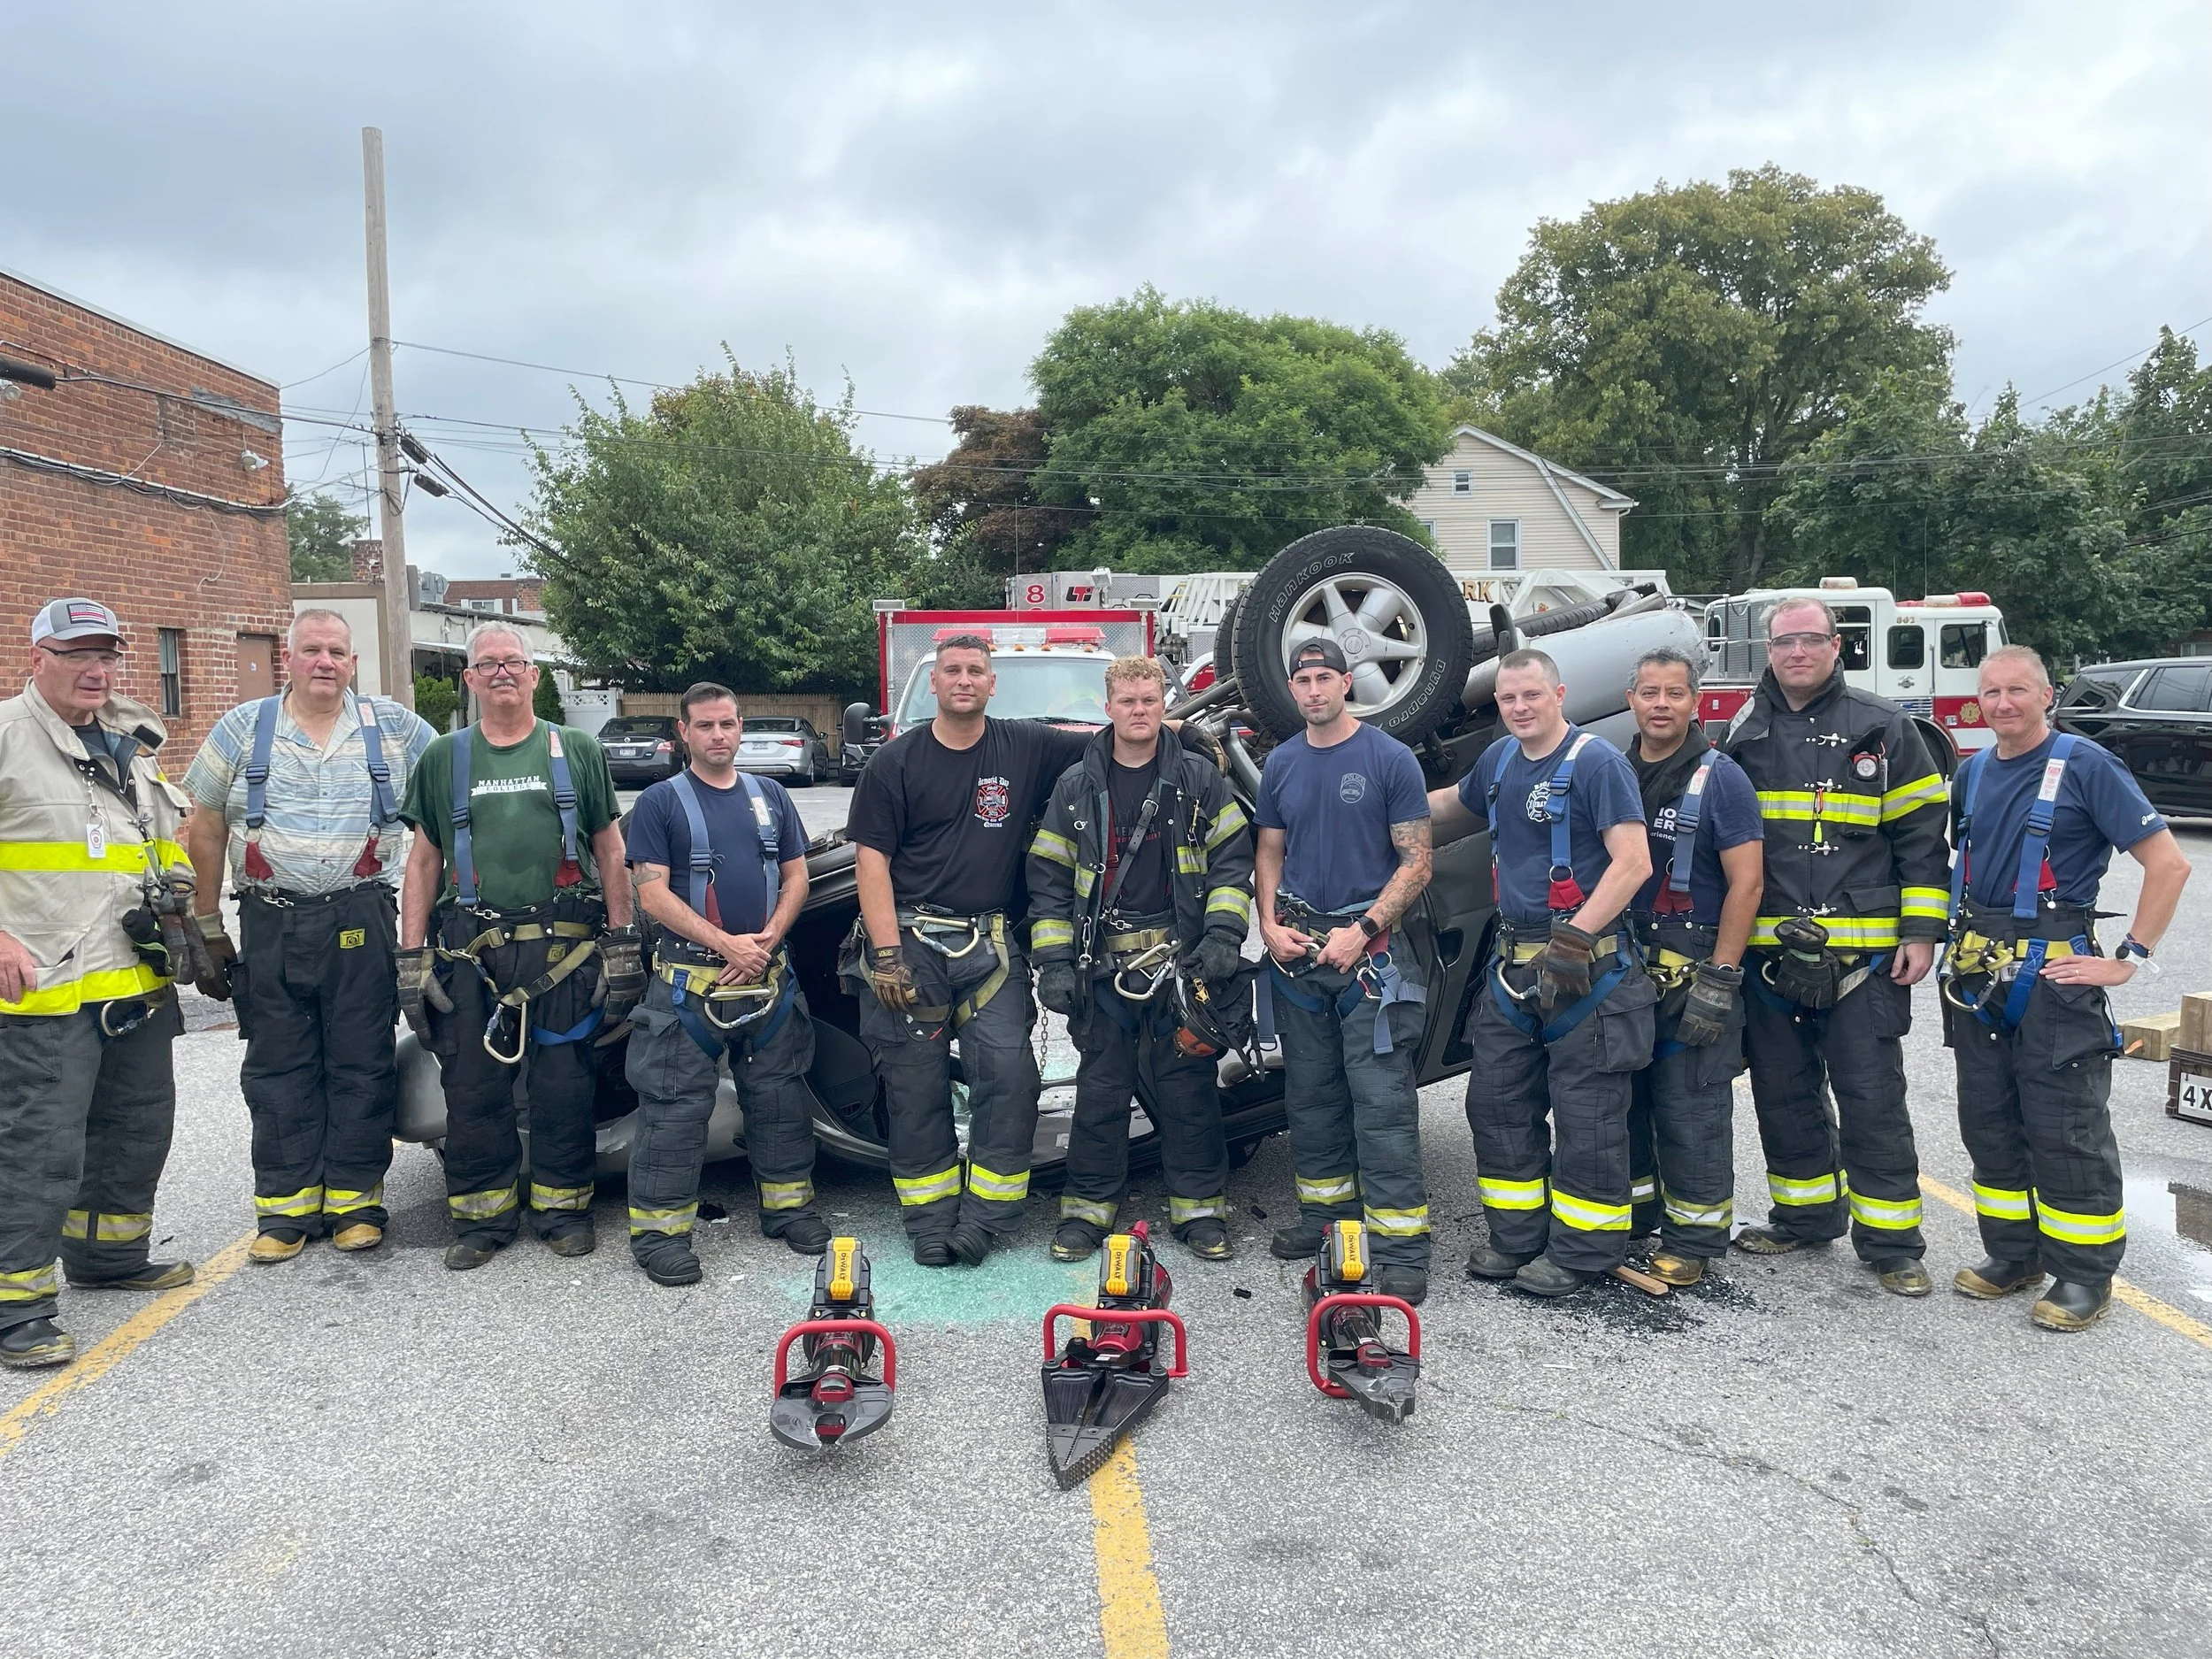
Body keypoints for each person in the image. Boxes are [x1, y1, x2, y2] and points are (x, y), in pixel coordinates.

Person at [845, 634, 1210, 1266]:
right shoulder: (894, 762)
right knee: (913, 1085)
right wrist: (884, 954)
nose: (964, 679)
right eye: (951, 670)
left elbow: (1114, 739)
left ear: (992, 685)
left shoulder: (1025, 743)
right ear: (933, 684)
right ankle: (929, 1220)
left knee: (1011, 1076)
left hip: (990, 944)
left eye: (975, 671)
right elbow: (869, 858)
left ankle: (986, 1218)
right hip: (910, 941)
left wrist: (1176, 724)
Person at [1939, 645, 2189, 1332]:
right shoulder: (1974, 772)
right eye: (1991, 692)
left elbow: (2167, 864)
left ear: (2047, 695)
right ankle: (2014, 1255)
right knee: (1988, 1121)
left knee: (2066, 1129)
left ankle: (2084, 1274)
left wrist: (2129, 957)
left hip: (2055, 978)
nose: (2003, 704)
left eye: (2018, 690)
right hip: (1979, 976)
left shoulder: (2086, 765)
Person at [183, 610, 435, 1263]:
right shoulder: (242, 729)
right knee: (278, 1064)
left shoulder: (397, 730)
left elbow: (451, 804)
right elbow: (204, 825)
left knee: (361, 1060)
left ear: (353, 663)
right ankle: (285, 1207)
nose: (326, 661)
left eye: (338, 651)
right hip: (270, 920)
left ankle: (355, 1200)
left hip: (362, 917)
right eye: (312, 650)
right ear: (287, 660)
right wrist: (205, 923)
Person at [1721, 598, 1952, 1297]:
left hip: (1867, 960)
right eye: (1785, 641)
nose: (1797, 652)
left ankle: (1892, 1245)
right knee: (1783, 1093)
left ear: (1836, 645)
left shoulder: (1885, 727)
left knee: (1871, 1095)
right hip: (1771, 955)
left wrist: (1921, 930)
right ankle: (1805, 1214)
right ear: (1769, 649)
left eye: (1811, 640)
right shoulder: (1743, 733)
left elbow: (1921, 836)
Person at [396, 624, 643, 1271]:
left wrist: (621, 942)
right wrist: (411, 956)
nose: (502, 672)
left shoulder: (576, 750)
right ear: (470, 679)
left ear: (535, 676)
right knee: (473, 1088)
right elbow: (421, 864)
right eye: (488, 664)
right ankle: (482, 1219)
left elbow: (610, 851)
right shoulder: (444, 757)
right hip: (469, 954)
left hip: (561, 950)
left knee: (564, 1083)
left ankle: (564, 1211)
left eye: (514, 662)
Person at [0, 598, 198, 1371]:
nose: (96, 669)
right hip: (46, 983)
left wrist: (182, 904)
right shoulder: (9, 739)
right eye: (78, 653)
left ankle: (108, 1256)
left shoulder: (129, 742)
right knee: (39, 1145)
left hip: (133, 980)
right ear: (36, 654)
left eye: (108, 654)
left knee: (134, 1126)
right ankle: (17, 1306)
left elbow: (156, 842)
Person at [1430, 648, 1653, 1300]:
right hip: (1513, 970)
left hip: (1588, 970)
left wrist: (1578, 936)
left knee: (1587, 1116)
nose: (1520, 708)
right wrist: (1374, 802)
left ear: (1558, 693)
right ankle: (1517, 1237)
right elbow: (1448, 804)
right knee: (1496, 1102)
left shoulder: (1598, 764)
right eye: (1508, 699)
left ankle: (1583, 1251)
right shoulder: (1499, 761)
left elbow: (1633, 862)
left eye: (1531, 695)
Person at [1026, 657, 1253, 1263]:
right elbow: (1048, 878)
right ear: (1108, 707)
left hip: (1180, 966)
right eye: (1127, 701)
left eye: (1150, 701)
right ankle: (1086, 1213)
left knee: (1189, 1091)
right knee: (1100, 1093)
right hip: (1102, 972)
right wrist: (1052, 961)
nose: (1139, 711)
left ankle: (1201, 1213)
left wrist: (1225, 934)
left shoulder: (1200, 779)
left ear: (1163, 706)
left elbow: (1233, 858)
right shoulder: (1076, 786)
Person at [1254, 638, 1434, 1304]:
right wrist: (1268, 922)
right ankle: (1326, 1222)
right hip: (1299, 959)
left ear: (1348, 682)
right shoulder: (1282, 762)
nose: (1313, 689)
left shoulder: (1389, 758)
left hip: (1370, 959)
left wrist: (1361, 933)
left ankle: (1401, 1249)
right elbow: (1269, 849)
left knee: (1382, 1106)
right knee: (1311, 1099)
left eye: (1325, 677)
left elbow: (1417, 862)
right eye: (1302, 678)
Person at [622, 683, 819, 1286]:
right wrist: (726, 944)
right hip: (690, 985)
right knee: (675, 1110)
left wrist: (764, 941)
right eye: (704, 725)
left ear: (741, 727)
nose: (717, 735)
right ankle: (659, 1232)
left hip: (766, 980)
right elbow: (650, 892)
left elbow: (797, 876)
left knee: (781, 1098)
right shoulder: (660, 802)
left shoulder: (771, 796)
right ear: (683, 731)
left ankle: (789, 1209)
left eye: (727, 724)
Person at [1620, 647, 1763, 1286]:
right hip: (1627, 971)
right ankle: (1641, 1213)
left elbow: (1749, 883)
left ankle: (1694, 1239)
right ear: (1631, 700)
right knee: (1629, 1104)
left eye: (1673, 693)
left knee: (1692, 1111)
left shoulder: (1720, 777)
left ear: (1695, 702)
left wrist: (1722, 977)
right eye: (1649, 692)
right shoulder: (1618, 771)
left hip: (1694, 973)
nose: (1660, 704)